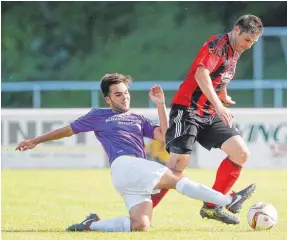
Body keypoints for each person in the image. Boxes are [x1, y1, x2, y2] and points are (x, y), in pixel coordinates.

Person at [16, 73, 254, 232]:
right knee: (176, 178)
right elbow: (67, 130)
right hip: (124, 166)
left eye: (126, 92)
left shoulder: (138, 119)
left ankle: (91, 225)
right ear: (108, 99)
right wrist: (36, 140)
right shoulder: (98, 115)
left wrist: (160, 105)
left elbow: (165, 135)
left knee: (140, 225)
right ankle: (228, 200)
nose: (124, 96)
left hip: (133, 175)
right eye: (118, 94)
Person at [151, 14, 264, 224]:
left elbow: (219, 77)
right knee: (176, 168)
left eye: (253, 43)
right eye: (247, 40)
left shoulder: (235, 51)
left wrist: (222, 96)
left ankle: (212, 206)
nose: (248, 46)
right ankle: (141, 213)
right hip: (187, 110)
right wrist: (219, 105)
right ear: (237, 30)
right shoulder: (217, 45)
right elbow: (201, 75)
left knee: (240, 153)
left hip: (208, 113)